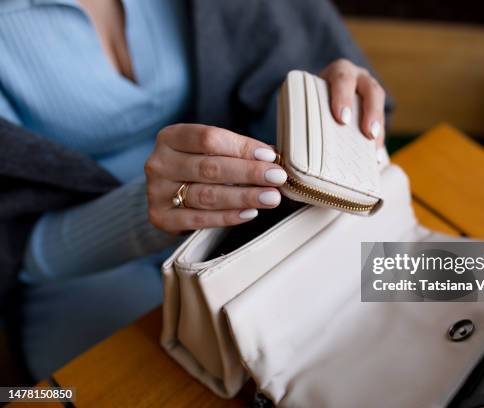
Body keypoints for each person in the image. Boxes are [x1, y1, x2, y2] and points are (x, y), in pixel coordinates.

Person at [0, 0, 388, 379]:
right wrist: (146, 213)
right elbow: (17, 248)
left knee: (365, 337)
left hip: (246, 215)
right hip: (82, 268)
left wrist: (311, 113)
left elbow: (271, 71)